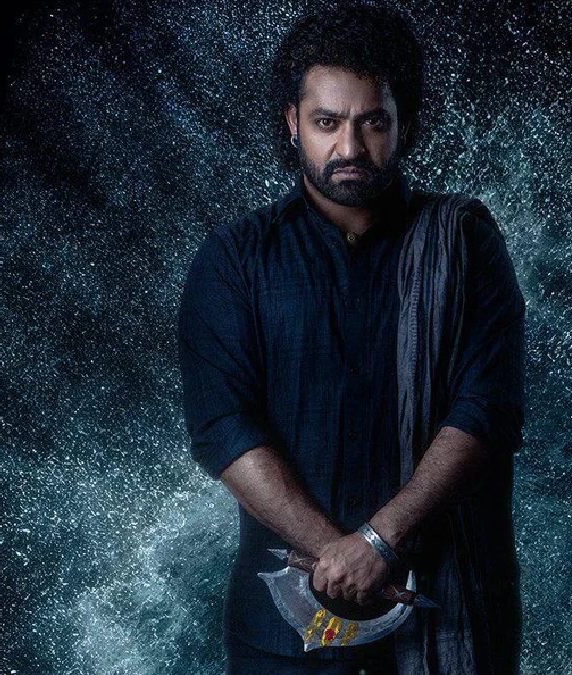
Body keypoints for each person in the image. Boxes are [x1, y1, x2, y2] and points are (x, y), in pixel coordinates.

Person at [176, 3, 525, 673]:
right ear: (293, 123)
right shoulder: (235, 260)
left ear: (404, 124)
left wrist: (379, 541)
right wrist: (344, 553)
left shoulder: (465, 245)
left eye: (373, 122)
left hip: (447, 616)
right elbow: (223, 428)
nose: (350, 149)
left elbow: (487, 411)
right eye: (327, 123)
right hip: (286, 635)